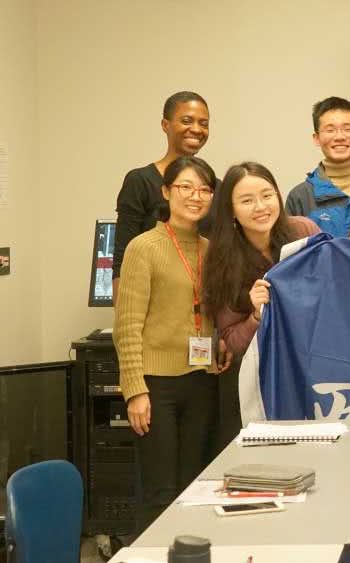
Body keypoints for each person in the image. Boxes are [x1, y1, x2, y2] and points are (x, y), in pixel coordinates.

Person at [113, 156, 231, 529]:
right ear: (166, 192)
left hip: (202, 380)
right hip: (156, 386)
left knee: (195, 488)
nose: (195, 196)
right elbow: (127, 325)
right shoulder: (143, 247)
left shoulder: (212, 249)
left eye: (204, 189)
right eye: (185, 187)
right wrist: (134, 390)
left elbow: (209, 310)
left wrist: (220, 342)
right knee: (160, 493)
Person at [203, 162, 319, 449]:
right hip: (259, 378)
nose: (260, 207)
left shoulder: (303, 230)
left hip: (311, 365)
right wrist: (255, 315)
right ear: (230, 210)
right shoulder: (221, 258)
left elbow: (336, 278)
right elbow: (232, 341)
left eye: (267, 195)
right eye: (246, 200)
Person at [113, 91, 211, 303]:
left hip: (205, 309)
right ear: (165, 125)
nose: (196, 129)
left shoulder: (215, 188)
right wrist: (123, 313)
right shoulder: (140, 181)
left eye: (203, 123)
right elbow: (122, 258)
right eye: (187, 121)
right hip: (155, 306)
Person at [286, 97, 350, 237]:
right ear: (316, 138)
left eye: (347, 129)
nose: (339, 137)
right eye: (330, 130)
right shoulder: (301, 197)